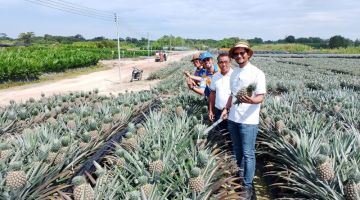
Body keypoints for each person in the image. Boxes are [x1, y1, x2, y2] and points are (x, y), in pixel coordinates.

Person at [221, 41, 266, 199]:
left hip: (249, 120)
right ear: (233, 56)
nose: (239, 56)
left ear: (248, 54)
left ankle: (247, 186)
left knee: (248, 154)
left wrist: (251, 101)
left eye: (242, 53)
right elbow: (231, 95)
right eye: (236, 54)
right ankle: (241, 176)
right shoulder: (234, 73)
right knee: (237, 150)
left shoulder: (257, 73)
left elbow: (260, 97)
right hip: (233, 118)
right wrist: (226, 109)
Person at [208, 53, 233, 124]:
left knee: (231, 133)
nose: (223, 64)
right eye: (221, 62)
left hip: (232, 112)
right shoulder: (215, 76)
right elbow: (212, 94)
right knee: (220, 133)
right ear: (218, 64)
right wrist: (210, 110)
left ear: (230, 63)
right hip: (218, 110)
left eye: (226, 62)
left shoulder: (235, 76)